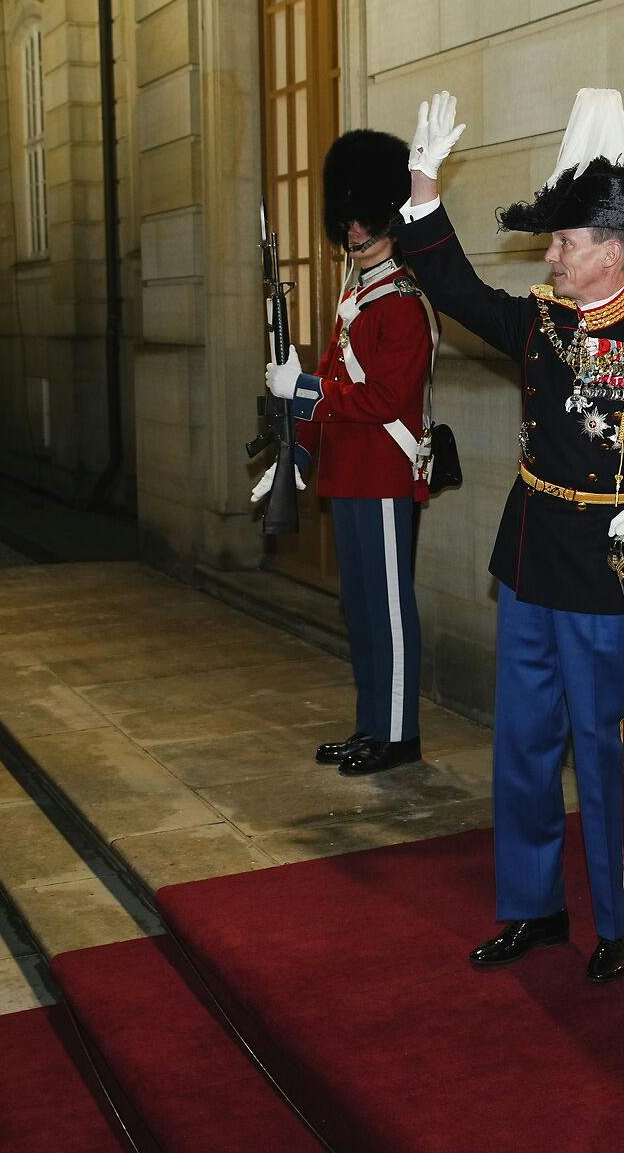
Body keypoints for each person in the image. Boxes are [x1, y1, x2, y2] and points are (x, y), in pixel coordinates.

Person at [389, 87, 624, 982]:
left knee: (604, 753)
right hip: (528, 563)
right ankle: (532, 910)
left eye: (563, 242)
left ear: (611, 255)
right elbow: (456, 287)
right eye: (551, 242)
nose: (548, 256)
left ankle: (617, 923)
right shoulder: (541, 327)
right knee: (521, 745)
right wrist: (424, 191)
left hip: (606, 575)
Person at [257, 129, 439, 776]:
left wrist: (303, 387)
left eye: (365, 221)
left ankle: (399, 736)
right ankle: (371, 727)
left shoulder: (405, 305)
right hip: (350, 473)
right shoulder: (354, 300)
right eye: (349, 220)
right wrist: (296, 454)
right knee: (359, 608)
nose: (355, 232)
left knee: (390, 609)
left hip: (387, 472)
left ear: (389, 219)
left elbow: (384, 399)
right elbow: (334, 386)